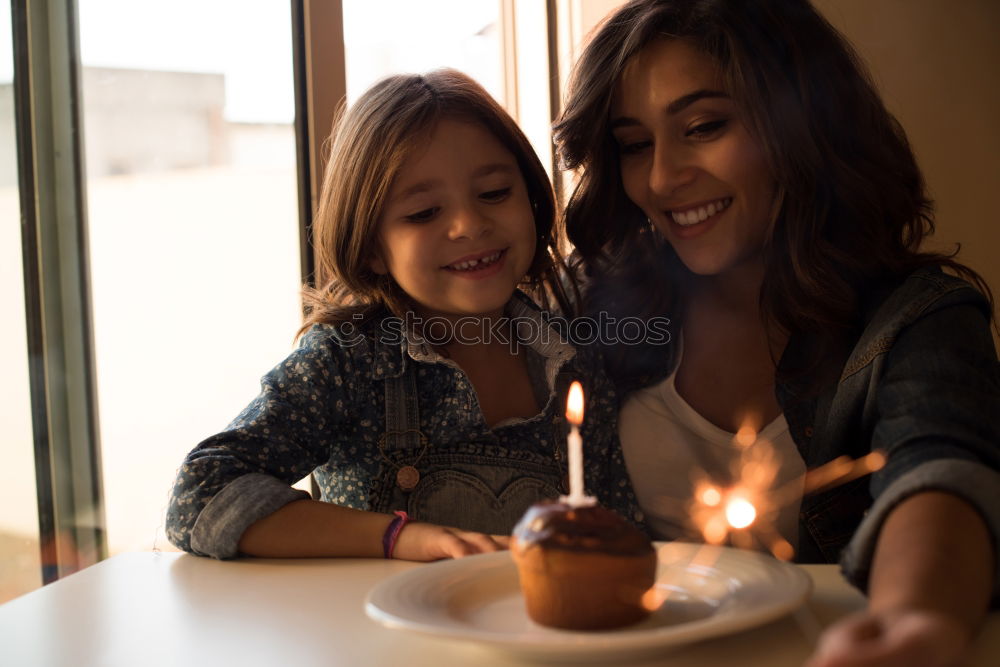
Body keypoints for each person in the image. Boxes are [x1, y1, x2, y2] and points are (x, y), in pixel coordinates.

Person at [554, 0, 999, 665]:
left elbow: (940, 470)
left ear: (805, 125)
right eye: (634, 143)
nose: (662, 177)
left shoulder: (916, 317)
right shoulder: (594, 306)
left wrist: (913, 620)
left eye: (703, 126)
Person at [165, 69, 641, 563]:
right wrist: (400, 538)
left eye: (495, 193)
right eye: (423, 213)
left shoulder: (576, 363)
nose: (469, 225)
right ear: (371, 247)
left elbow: (626, 538)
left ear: (533, 199)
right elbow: (200, 495)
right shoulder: (346, 362)